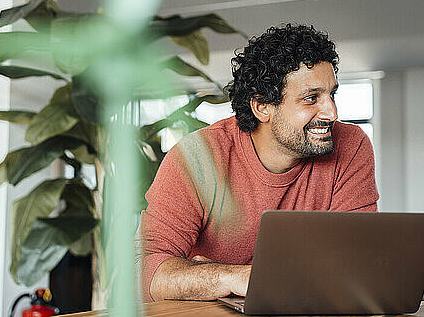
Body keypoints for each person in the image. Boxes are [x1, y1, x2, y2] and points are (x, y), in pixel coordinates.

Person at [136, 24, 379, 302]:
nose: (332, 113)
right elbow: (142, 272)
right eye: (311, 98)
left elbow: (356, 263)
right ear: (262, 106)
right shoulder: (197, 158)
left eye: (331, 94)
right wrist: (231, 277)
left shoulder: (351, 144)